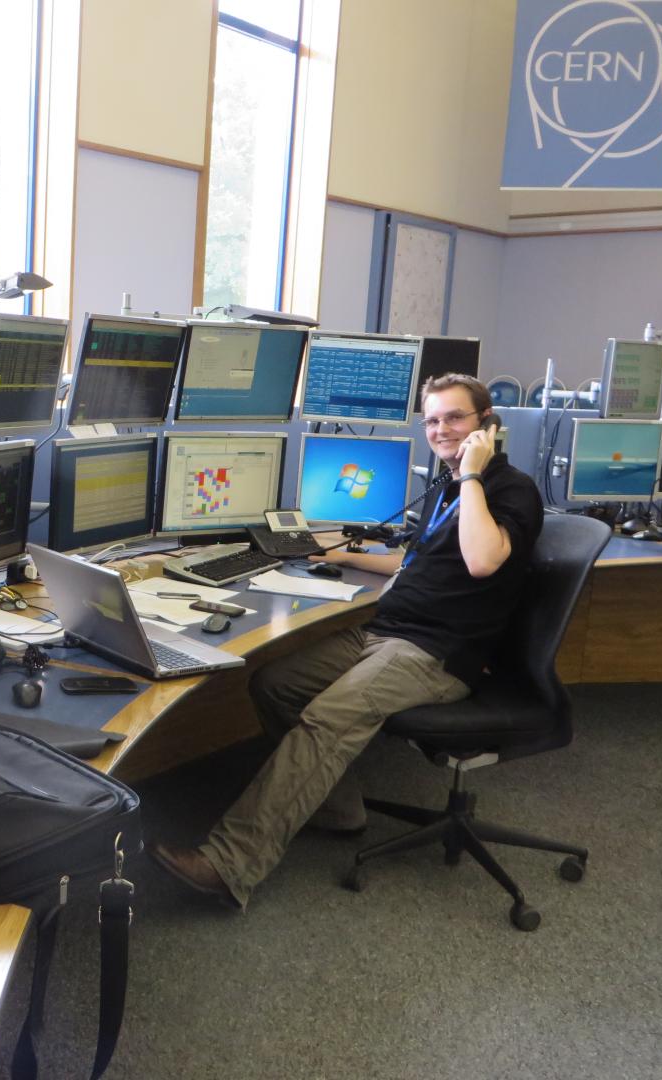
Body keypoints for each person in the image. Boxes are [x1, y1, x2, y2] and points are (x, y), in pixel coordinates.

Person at [151, 373, 544, 909]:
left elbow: (481, 560)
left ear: (487, 425)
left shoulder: (508, 489)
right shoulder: (447, 488)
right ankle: (336, 810)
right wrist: (340, 557)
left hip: (437, 655)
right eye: (432, 420)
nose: (441, 429)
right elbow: (412, 562)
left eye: (455, 418)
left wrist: (473, 474)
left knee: (328, 718)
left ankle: (229, 865)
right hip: (384, 632)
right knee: (274, 684)